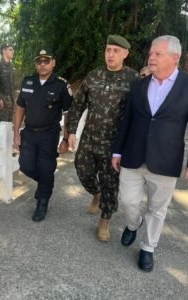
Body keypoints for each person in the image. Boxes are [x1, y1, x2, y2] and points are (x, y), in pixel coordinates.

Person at [112, 35, 188, 272]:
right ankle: (133, 225)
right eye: (151, 53)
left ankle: (148, 247)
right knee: (127, 201)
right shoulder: (139, 85)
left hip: (166, 159)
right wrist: (117, 151)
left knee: (157, 208)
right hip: (133, 155)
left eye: (158, 54)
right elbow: (127, 122)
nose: (151, 57)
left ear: (175, 57)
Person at [67, 35, 139, 241]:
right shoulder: (93, 75)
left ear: (125, 54)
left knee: (111, 183)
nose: (111, 54)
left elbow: (139, 113)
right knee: (82, 170)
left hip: (114, 144)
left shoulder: (134, 80)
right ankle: (95, 193)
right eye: (108, 50)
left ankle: (105, 221)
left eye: (116, 51)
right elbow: (78, 104)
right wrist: (71, 131)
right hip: (89, 138)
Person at [14, 48, 73, 222]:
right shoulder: (28, 82)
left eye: (46, 61)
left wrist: (65, 138)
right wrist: (16, 132)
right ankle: (44, 183)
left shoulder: (61, 85)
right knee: (25, 165)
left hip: (49, 134)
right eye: (39, 61)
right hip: (29, 133)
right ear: (36, 64)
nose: (42, 64)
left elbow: (68, 113)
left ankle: (42, 202)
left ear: (53, 62)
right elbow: (20, 108)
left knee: (46, 168)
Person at [0, 44, 15, 122]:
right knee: (2, 127)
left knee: (9, 127)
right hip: (2, 102)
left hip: (11, 101)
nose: (13, 52)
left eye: (13, 50)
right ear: (4, 51)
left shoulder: (10, 65)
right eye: (10, 50)